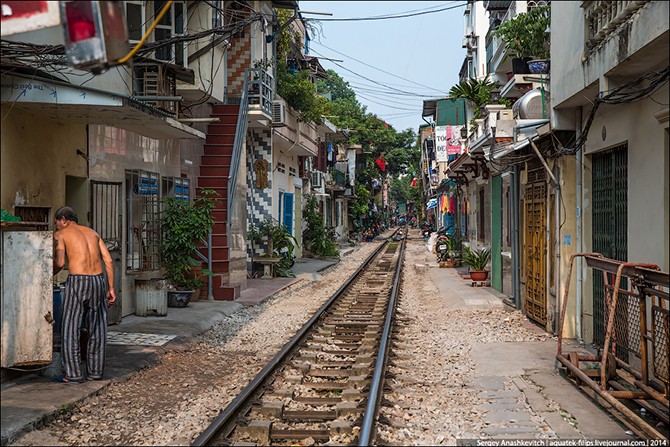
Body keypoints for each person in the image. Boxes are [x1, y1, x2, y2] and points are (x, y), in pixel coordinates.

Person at [52, 206, 116, 383]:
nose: (56, 227)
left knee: (70, 326)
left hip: (77, 281)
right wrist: (111, 288)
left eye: (56, 223)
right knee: (98, 326)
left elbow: (60, 262)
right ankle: (95, 372)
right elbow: (108, 260)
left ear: (63, 220)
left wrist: (47, 274)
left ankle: (73, 374)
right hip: (98, 280)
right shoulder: (93, 233)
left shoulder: (62, 235)